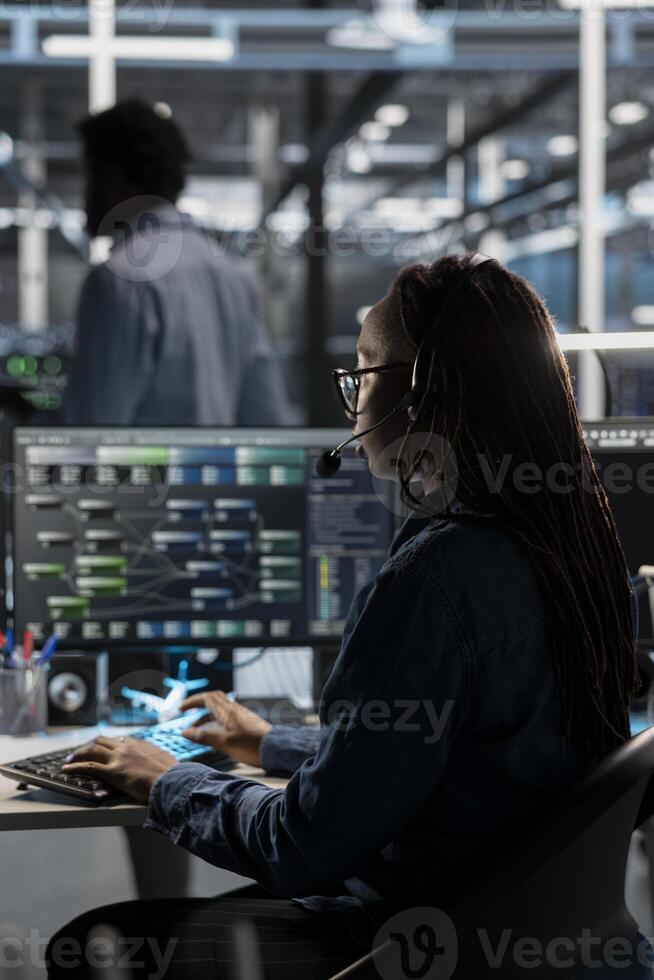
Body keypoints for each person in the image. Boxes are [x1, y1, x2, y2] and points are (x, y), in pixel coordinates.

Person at [47, 255, 649, 980]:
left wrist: (166, 779)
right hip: (547, 945)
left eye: (363, 373)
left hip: (410, 944)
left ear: (424, 395)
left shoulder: (433, 580)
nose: (354, 400)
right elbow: (453, 762)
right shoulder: (579, 548)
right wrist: (271, 743)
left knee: (95, 943)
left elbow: (303, 849)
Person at [61, 98, 290, 426]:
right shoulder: (233, 275)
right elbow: (267, 417)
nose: (85, 195)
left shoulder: (118, 279)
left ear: (112, 179)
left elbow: (93, 431)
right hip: (218, 476)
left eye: (89, 175)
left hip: (143, 478)